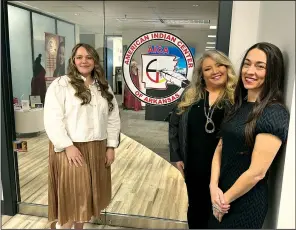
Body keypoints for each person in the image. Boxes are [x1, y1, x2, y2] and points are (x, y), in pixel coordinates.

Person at [208, 42, 290, 229]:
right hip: (220, 194)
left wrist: (222, 202)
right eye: (247, 64)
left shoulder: (274, 113)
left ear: (273, 73)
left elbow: (257, 173)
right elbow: (221, 147)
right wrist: (213, 187)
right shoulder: (238, 105)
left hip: (244, 202)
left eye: (260, 66)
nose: (250, 71)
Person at [44, 43, 121, 229]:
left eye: (88, 57)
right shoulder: (61, 84)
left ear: (95, 60)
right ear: (73, 60)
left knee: (86, 199)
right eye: (79, 57)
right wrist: (67, 146)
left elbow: (113, 118)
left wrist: (110, 146)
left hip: (97, 148)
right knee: (73, 197)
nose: (84, 61)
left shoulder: (103, 87)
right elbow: (53, 118)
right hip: (69, 149)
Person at [169, 50, 237, 229]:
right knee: (196, 209)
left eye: (220, 65)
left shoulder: (237, 98)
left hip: (224, 168)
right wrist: (176, 156)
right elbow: (174, 125)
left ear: (227, 67)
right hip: (194, 166)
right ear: (201, 74)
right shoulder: (190, 95)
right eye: (208, 68)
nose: (215, 71)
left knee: (218, 211)